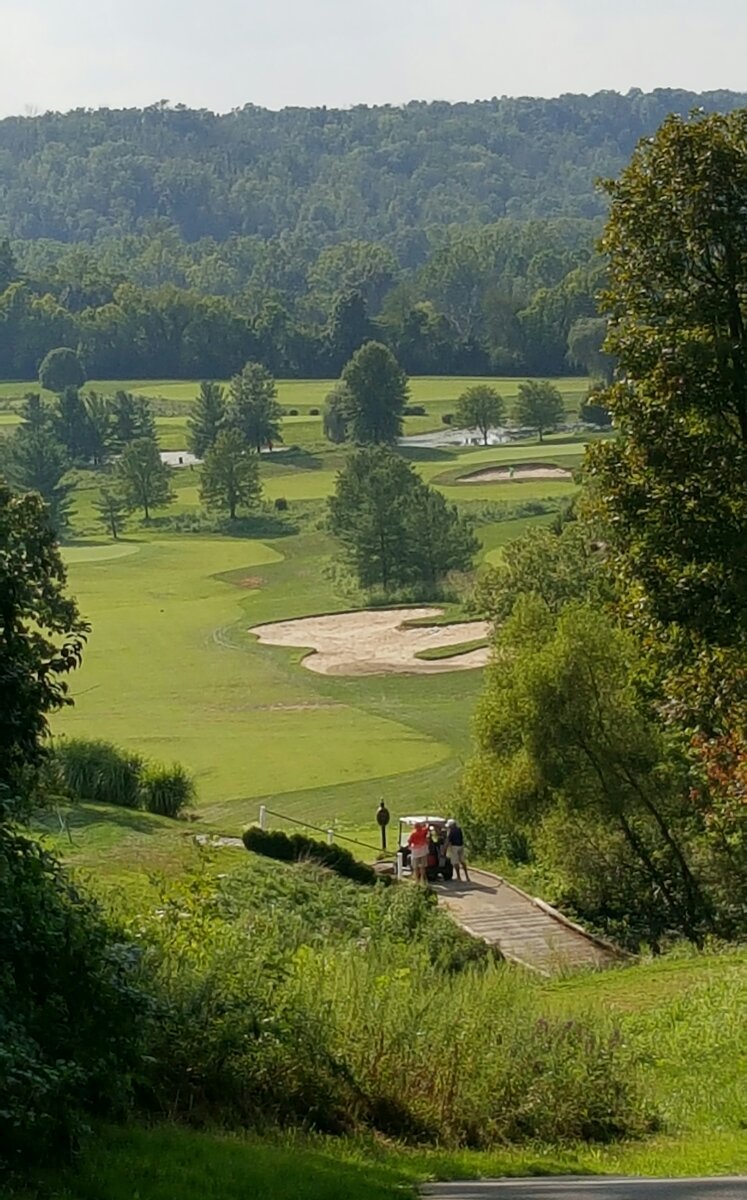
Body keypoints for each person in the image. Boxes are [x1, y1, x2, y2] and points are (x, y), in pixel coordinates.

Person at [445, 818, 470, 883]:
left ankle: (459, 877)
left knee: (455, 862)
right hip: (461, 846)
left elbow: (448, 841)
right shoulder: (459, 829)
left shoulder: (451, 831)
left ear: (451, 825)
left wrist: (445, 848)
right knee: (462, 861)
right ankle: (467, 876)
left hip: (454, 847)